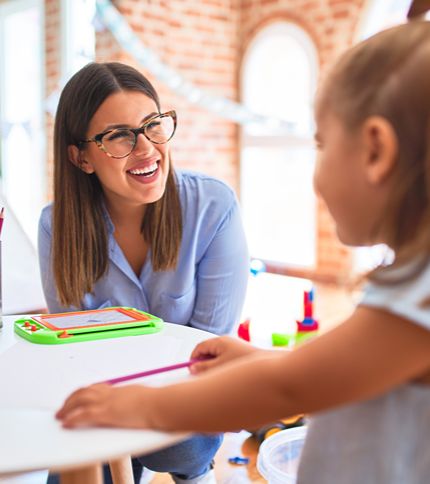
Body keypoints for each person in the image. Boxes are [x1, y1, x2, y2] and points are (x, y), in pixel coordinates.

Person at [56, 21, 430, 484]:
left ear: (376, 151)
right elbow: (328, 370)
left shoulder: (418, 300)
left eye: (322, 144)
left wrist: (140, 405)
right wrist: (256, 359)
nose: (314, 175)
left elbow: (290, 386)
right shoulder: (412, 292)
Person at [38, 61, 249, 484]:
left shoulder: (213, 208)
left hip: (189, 401)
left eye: (152, 125)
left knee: (185, 446)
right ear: (80, 157)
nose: (147, 148)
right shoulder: (56, 226)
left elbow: (207, 353)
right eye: (118, 136)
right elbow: (73, 352)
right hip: (106, 403)